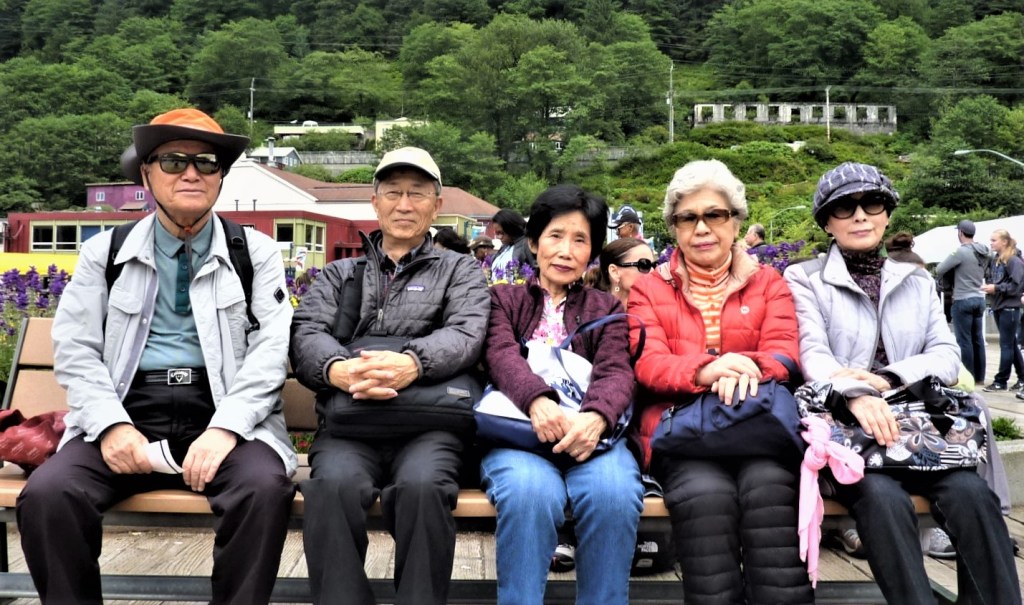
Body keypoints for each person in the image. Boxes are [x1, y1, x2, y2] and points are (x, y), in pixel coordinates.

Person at [16, 108, 297, 604]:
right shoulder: (105, 252)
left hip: (223, 410)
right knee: (49, 495)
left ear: (221, 175)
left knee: (262, 489)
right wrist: (111, 426)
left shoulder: (255, 253)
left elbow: (270, 350)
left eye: (206, 163)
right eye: (172, 161)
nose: (191, 173)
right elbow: (77, 349)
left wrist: (226, 428)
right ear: (146, 173)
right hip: (128, 410)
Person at [784, 162, 1020, 604]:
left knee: (972, 496)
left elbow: (946, 354)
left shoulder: (916, 280)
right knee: (882, 500)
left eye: (872, 203)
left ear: (887, 213)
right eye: (844, 207)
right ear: (827, 222)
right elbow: (811, 354)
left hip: (923, 432)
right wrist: (855, 395)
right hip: (852, 437)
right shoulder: (805, 279)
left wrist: (888, 378)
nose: (860, 215)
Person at [290, 147, 490, 605]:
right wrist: (337, 370)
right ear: (375, 203)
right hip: (350, 423)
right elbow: (307, 332)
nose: (404, 204)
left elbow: (467, 332)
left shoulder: (459, 270)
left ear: (437, 206)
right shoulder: (340, 274)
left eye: (417, 194)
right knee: (331, 488)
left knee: (424, 488)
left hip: (429, 426)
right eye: (393, 193)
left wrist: (412, 363)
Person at [629, 159, 813, 604]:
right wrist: (703, 371)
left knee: (770, 492)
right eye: (687, 218)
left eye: (714, 214)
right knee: (704, 498)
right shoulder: (649, 289)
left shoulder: (768, 283)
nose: (702, 228)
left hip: (757, 427)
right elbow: (647, 363)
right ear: (674, 228)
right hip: (682, 433)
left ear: (735, 222)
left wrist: (740, 366)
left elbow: (785, 353)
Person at [481, 184, 643, 605]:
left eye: (580, 240)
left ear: (592, 252)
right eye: (555, 236)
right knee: (528, 494)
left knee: (613, 495)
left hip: (592, 438)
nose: (566, 251)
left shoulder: (607, 309)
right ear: (534, 243)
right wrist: (538, 401)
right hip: (520, 434)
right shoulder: (503, 299)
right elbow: (500, 355)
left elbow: (615, 370)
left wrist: (596, 418)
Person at [935, 219, 990, 384]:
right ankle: (980, 377)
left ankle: (968, 377)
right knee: (978, 339)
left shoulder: (960, 252)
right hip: (979, 298)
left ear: (960, 233)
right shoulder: (985, 251)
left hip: (963, 299)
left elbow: (939, 269)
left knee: (964, 340)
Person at [982, 228, 1024, 393]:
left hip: (1010, 308)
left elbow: (1016, 285)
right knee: (1011, 344)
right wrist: (991, 287)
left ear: (1004, 241)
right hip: (999, 306)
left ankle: (1001, 381)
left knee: (1006, 345)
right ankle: (1022, 378)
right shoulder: (997, 260)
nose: (991, 243)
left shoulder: (1014, 260)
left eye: (994, 240)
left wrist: (996, 288)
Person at [591, 237, 656, 306]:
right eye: (644, 265)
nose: (653, 271)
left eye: (654, 265)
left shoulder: (655, 308)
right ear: (614, 272)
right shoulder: (594, 310)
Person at [490, 208, 535, 277]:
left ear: (511, 229)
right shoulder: (505, 247)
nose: (499, 237)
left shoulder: (527, 245)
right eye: (496, 233)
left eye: (500, 233)